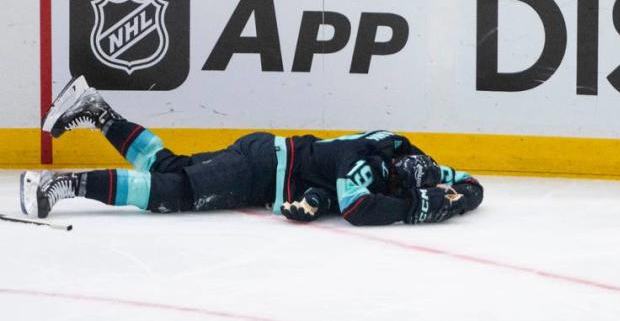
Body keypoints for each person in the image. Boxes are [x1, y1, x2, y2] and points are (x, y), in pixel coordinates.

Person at [21, 75, 483, 224]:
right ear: (397, 173)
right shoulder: (361, 163)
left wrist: (459, 194)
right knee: (174, 191)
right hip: (261, 170)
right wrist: (419, 207)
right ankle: (64, 184)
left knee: (169, 166)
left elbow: (465, 179)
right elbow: (358, 208)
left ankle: (97, 112)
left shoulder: (393, 145)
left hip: (265, 157)